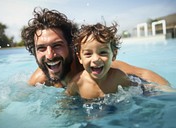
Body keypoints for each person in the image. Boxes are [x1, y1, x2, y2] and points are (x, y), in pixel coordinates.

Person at [21, 7, 170, 89]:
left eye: (57, 45)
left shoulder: (92, 65)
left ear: (73, 48)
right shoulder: (40, 80)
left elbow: (143, 73)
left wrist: (167, 94)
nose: (50, 55)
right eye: (41, 48)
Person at [66, 23, 139, 99]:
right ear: (79, 58)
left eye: (103, 52)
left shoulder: (119, 77)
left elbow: (137, 89)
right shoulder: (77, 83)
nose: (96, 59)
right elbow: (66, 103)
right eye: (88, 53)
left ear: (114, 55)